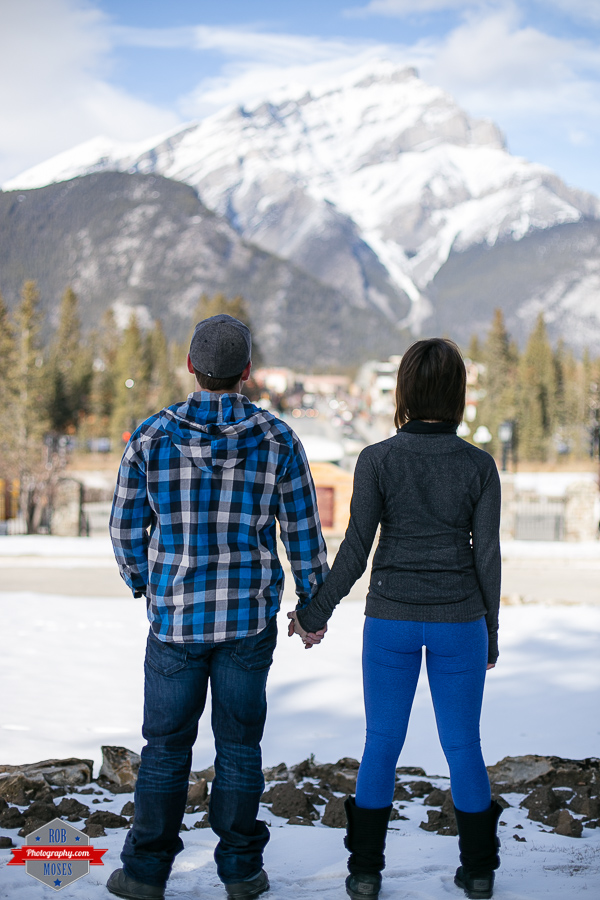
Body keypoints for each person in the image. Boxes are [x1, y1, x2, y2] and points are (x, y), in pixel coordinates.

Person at [107, 314, 328, 900]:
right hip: (248, 622)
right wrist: (313, 606)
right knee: (238, 748)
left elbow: (125, 530)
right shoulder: (278, 439)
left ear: (190, 366)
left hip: (176, 621)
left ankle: (146, 873)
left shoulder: (150, 437)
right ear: (247, 373)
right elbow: (303, 533)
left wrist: (145, 586)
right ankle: (240, 872)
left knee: (165, 750)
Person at [289, 338, 502, 900]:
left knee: (381, 740)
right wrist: (491, 633)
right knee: (463, 746)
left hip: (391, 621)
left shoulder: (378, 459)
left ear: (403, 392)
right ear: (457, 393)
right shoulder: (480, 466)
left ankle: (364, 873)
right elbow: (487, 558)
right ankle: (479, 870)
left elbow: (355, 551)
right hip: (461, 622)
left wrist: (314, 611)